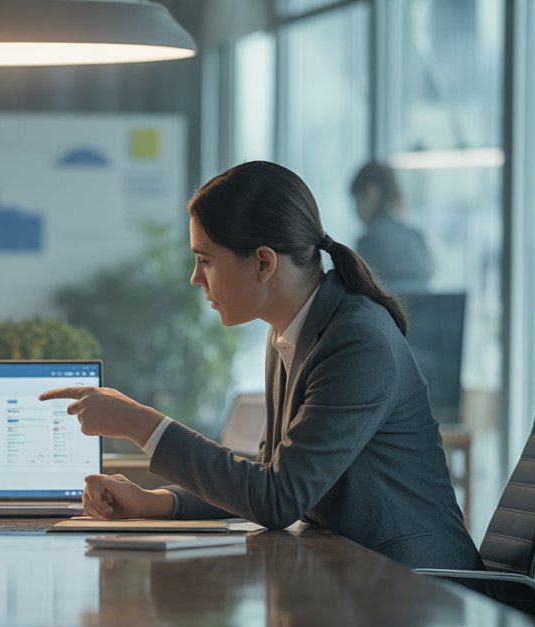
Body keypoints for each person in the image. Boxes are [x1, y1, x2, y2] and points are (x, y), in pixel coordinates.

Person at [40, 160, 479, 570]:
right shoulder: (290, 331)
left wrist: (142, 425)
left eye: (205, 260)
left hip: (417, 590)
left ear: (264, 263)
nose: (195, 279)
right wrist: (157, 502)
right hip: (351, 576)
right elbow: (270, 476)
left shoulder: (356, 340)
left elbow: (278, 499)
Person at [349, 161, 432, 295]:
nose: (356, 210)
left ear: (372, 193)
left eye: (357, 200)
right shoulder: (417, 237)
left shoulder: (368, 242)